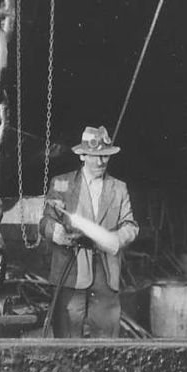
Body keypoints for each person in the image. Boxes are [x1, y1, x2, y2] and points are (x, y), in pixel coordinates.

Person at [39, 125, 139, 338]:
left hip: (106, 273)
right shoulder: (62, 183)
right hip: (71, 271)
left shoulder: (119, 188)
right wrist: (54, 231)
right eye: (95, 156)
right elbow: (46, 220)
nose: (101, 162)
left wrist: (117, 239)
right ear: (82, 155)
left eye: (105, 156)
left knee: (107, 339)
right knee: (67, 337)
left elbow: (130, 225)